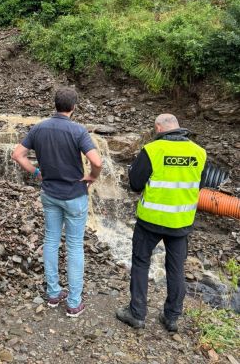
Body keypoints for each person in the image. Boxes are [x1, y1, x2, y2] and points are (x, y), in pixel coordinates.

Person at [12, 86, 102, 317]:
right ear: (74, 107)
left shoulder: (39, 128)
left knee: (51, 240)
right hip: (74, 196)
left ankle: (53, 293)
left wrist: (36, 172)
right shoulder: (78, 130)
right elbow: (97, 162)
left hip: (50, 194)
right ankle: (73, 303)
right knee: (74, 246)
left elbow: (17, 154)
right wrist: (92, 177)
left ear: (55, 104)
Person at [116, 114, 207, 332]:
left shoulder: (152, 150)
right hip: (181, 221)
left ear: (158, 128)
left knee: (141, 263)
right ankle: (172, 317)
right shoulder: (199, 152)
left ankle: (137, 314)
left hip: (150, 221)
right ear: (178, 127)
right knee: (176, 269)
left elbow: (135, 184)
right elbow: (200, 184)